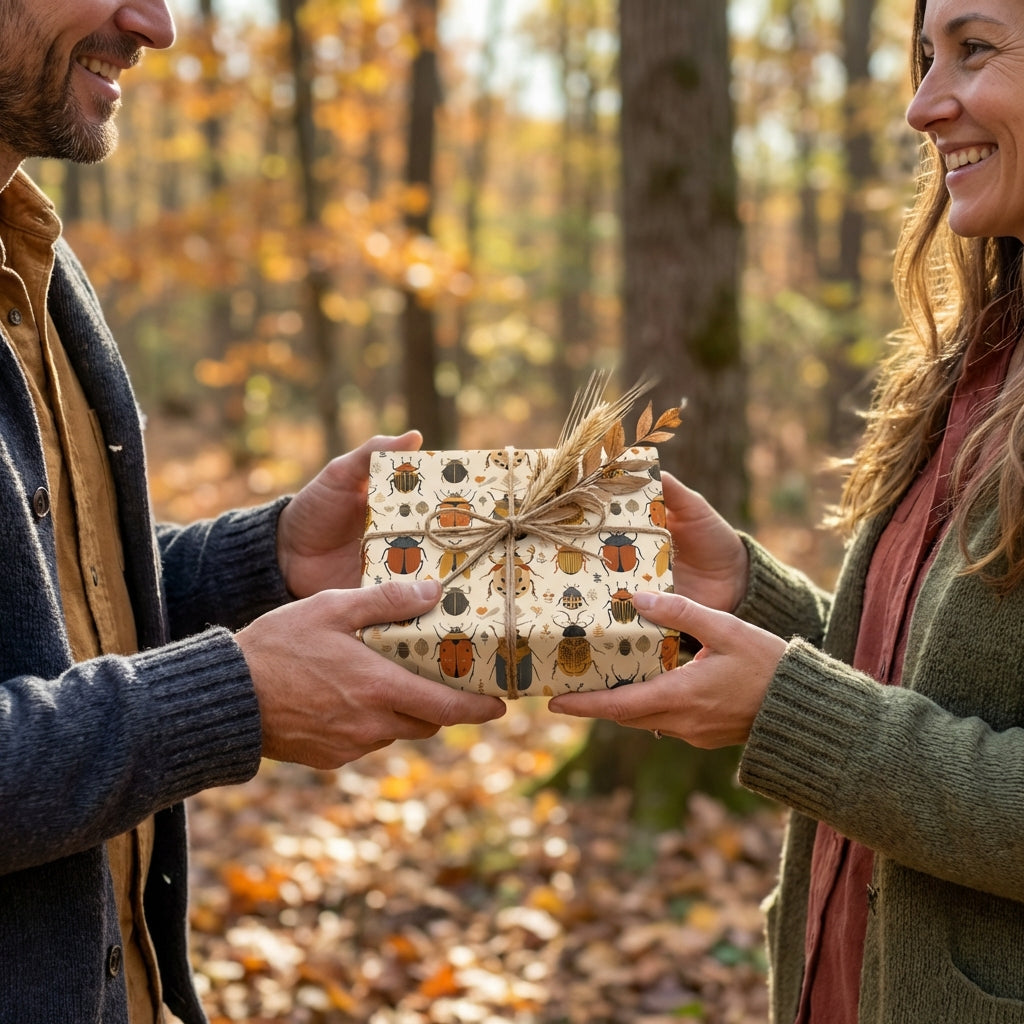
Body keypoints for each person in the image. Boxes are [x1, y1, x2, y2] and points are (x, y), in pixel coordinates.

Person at [0, 3, 506, 1022]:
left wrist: (266, 559)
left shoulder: (36, 255)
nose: (156, 24)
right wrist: (226, 697)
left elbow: (55, 605)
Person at [551, 0, 1024, 1021]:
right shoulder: (983, 352)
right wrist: (751, 603)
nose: (921, 105)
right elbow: (931, 693)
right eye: (923, 54)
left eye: (974, 50)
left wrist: (791, 713)